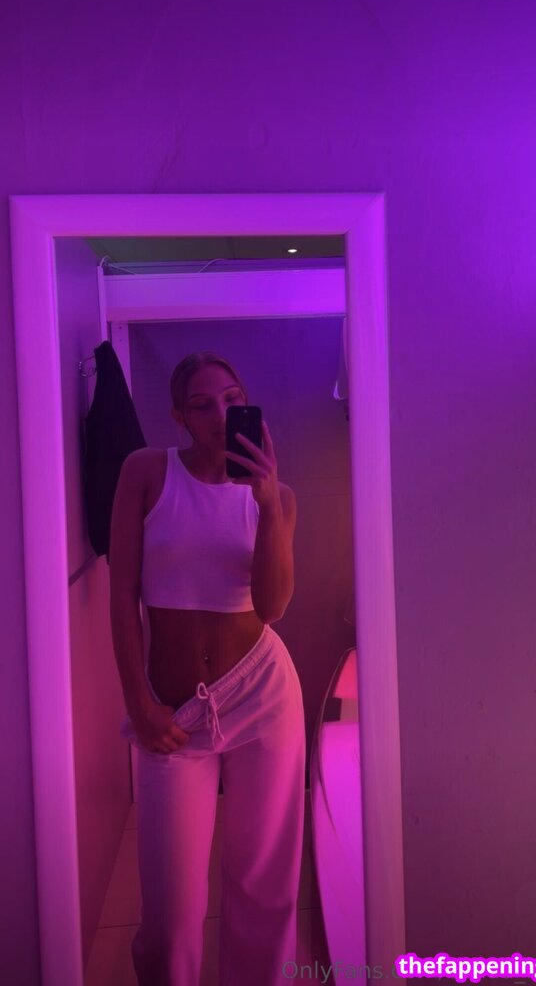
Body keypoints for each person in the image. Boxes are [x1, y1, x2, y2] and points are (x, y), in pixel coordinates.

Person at [109, 351, 305, 986]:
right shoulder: (146, 472)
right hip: (173, 711)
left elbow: (273, 607)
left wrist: (268, 504)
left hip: (263, 695)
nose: (221, 414)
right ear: (179, 416)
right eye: (202, 404)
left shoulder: (279, 497)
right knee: (169, 921)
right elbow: (121, 594)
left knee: (262, 885)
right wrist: (138, 702)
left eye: (232, 398)